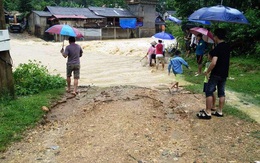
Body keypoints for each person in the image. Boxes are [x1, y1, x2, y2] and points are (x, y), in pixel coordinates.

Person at [197, 28, 231, 119]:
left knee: (209, 91)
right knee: (221, 92)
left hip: (216, 73)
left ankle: (208, 111)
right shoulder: (227, 47)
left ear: (216, 37)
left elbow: (213, 62)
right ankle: (219, 111)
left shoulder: (217, 48)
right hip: (224, 73)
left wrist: (207, 71)